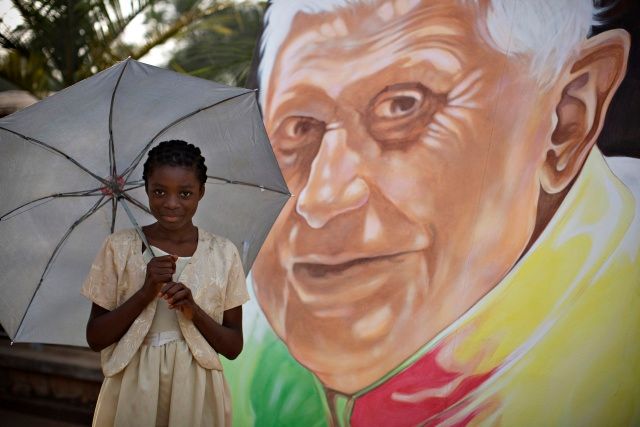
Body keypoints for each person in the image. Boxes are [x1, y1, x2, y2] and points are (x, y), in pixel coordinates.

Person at [234, 0, 640, 425]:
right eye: (299, 128)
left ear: (566, 120)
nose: (320, 198)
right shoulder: (234, 337)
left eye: (403, 106)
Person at [82, 140, 249, 426]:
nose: (171, 204)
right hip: (134, 382)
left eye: (185, 193)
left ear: (201, 193)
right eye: (159, 191)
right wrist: (146, 293)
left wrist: (193, 310)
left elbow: (233, 347)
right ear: (146, 189)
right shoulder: (119, 247)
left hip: (196, 385)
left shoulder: (223, 253)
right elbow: (96, 337)